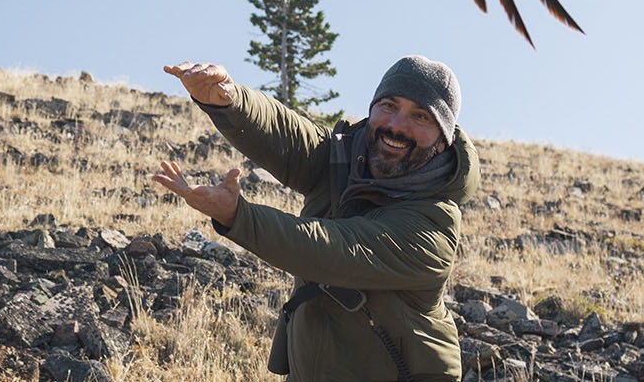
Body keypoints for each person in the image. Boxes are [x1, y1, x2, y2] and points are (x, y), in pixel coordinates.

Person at [153, 55, 479, 382]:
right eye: (389, 105)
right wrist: (230, 100)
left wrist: (238, 216)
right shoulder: (344, 160)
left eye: (420, 116)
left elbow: (330, 251)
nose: (396, 126)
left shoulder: (434, 226)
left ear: (442, 139)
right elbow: (290, 136)